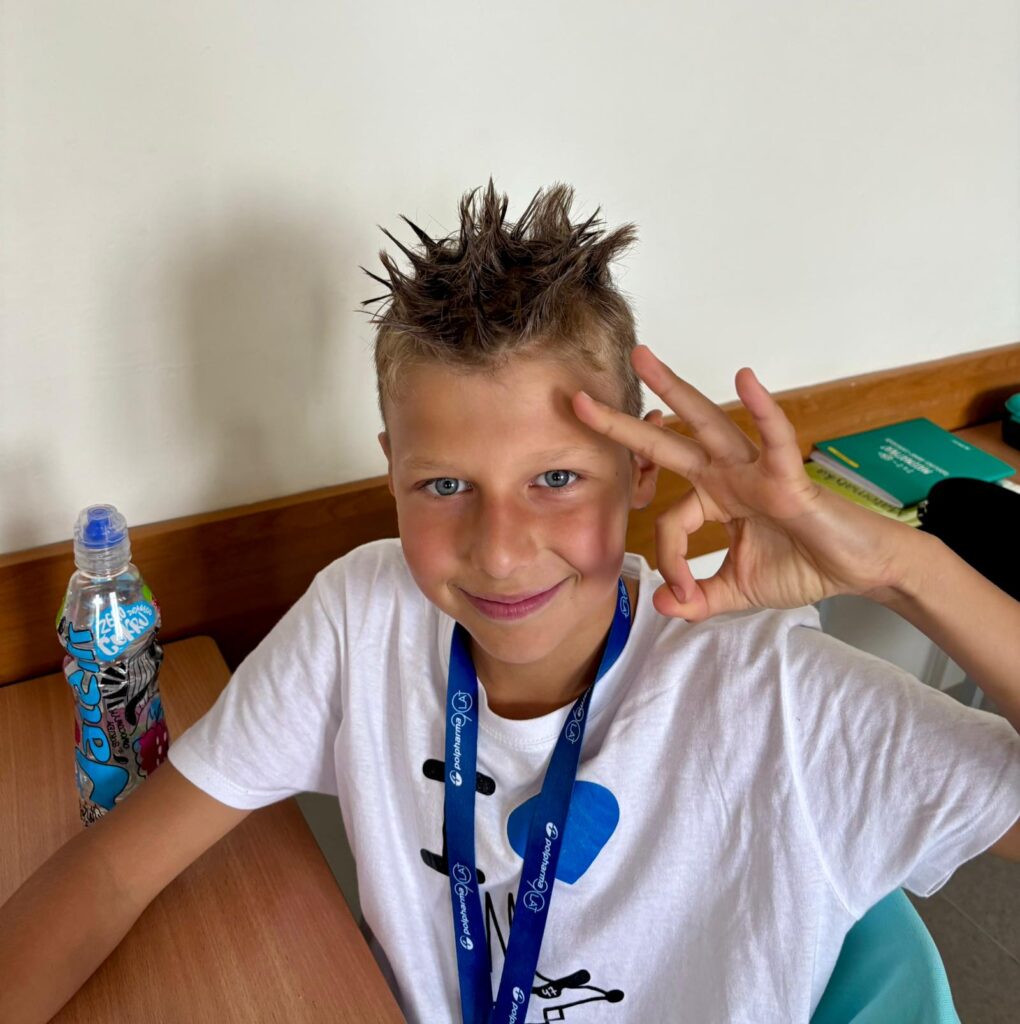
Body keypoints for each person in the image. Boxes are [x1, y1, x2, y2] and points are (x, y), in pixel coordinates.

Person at [2, 181, 1018, 1024]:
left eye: (557, 478)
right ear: (392, 470)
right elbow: (113, 873)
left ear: (641, 465)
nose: (498, 549)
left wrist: (906, 571)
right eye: (445, 485)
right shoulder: (361, 619)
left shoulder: (782, 698)